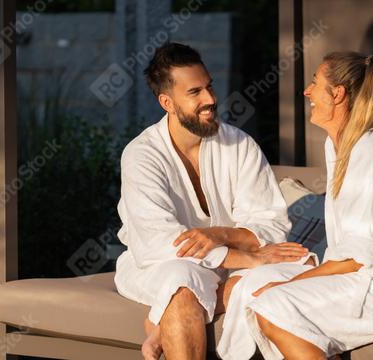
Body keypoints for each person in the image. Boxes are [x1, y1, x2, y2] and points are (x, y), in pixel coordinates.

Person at [218, 51, 373, 360]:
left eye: (314, 83)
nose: (306, 92)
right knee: (252, 282)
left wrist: (289, 285)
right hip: (371, 275)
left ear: (337, 93)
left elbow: (361, 258)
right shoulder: (339, 146)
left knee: (275, 305)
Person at [113, 42, 312, 360]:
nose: (210, 100)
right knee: (181, 279)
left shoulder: (239, 144)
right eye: (195, 92)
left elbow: (272, 225)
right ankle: (165, 317)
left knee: (296, 270)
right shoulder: (142, 156)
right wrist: (248, 259)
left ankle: (158, 326)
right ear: (167, 102)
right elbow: (160, 244)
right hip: (153, 267)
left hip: (226, 268)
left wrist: (218, 235)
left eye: (209, 87)